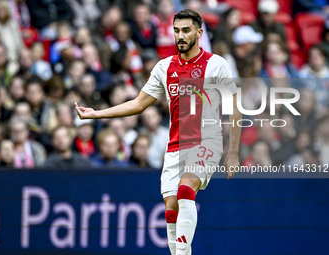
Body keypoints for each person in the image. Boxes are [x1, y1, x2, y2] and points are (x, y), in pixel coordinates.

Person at [75, 9, 241, 255]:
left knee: (186, 190)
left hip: (207, 142)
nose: (180, 36)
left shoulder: (216, 65)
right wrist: (97, 114)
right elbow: (138, 104)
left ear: (199, 32)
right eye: (176, 31)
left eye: (186, 30)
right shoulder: (164, 68)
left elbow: (235, 108)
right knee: (171, 208)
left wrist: (233, 152)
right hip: (174, 147)